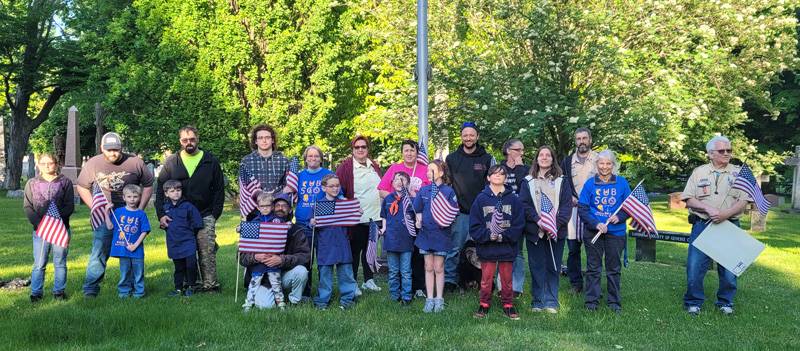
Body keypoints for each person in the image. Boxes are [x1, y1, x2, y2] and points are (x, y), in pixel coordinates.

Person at [77, 132, 154, 297]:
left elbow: (148, 184)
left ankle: (134, 288)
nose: (113, 153)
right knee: (100, 250)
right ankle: (90, 289)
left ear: (122, 148)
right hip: (107, 210)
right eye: (109, 150)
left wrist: (140, 208)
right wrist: (95, 207)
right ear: (101, 148)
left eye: (117, 149)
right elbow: (82, 186)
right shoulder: (93, 163)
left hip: (129, 210)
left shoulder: (135, 162)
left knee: (131, 249)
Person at [681, 135, 751, 316]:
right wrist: (708, 209)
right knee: (695, 266)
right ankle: (693, 302)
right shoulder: (699, 172)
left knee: (728, 269)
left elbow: (744, 201)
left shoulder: (739, 173)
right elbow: (688, 199)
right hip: (702, 224)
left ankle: (725, 302)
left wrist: (724, 214)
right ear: (710, 154)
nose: (726, 153)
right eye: (722, 151)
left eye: (729, 150)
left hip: (730, 225)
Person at [156, 126, 225, 293]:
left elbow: (219, 190)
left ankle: (210, 285)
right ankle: (188, 284)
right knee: (183, 251)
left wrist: (215, 214)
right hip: (178, 215)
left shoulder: (210, 161)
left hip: (205, 213)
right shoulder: (172, 162)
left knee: (206, 250)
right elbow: (160, 190)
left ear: (198, 139)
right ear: (180, 141)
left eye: (192, 139)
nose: (189, 143)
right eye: (185, 140)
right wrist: (161, 214)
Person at [519, 146, 572, 313]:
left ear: (552, 159)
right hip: (535, 230)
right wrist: (538, 221)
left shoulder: (562, 180)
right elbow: (524, 205)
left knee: (553, 266)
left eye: (547, 155)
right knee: (536, 266)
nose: (544, 157)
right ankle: (537, 300)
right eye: (541, 155)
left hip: (556, 231)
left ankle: (551, 301)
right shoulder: (527, 181)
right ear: (536, 159)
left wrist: (554, 225)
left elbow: (566, 206)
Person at [444, 122, 495, 291]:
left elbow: (493, 184)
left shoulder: (487, 158)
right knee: (454, 249)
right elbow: (447, 184)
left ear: (477, 136)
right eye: (465, 135)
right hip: (460, 213)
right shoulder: (451, 159)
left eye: (471, 135)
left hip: (482, 214)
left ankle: (485, 281)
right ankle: (450, 281)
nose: (468, 138)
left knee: (484, 249)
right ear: (461, 136)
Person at [577, 150, 630, 313]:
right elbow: (583, 208)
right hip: (594, 232)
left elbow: (629, 207)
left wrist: (619, 217)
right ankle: (591, 301)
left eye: (608, 163)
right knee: (593, 267)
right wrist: (596, 223)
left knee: (614, 267)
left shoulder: (621, 183)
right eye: (601, 163)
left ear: (613, 165)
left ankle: (614, 302)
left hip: (616, 232)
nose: (605, 167)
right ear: (596, 164)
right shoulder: (589, 184)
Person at [469, 165, 525, 320]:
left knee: (507, 280)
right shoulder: (481, 199)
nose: (498, 176)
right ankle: (484, 304)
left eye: (502, 174)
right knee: (486, 280)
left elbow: (519, 224)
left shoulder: (513, 199)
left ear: (505, 178)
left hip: (506, 247)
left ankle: (508, 304)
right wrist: (488, 235)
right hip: (488, 247)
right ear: (488, 178)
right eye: (494, 174)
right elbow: (474, 225)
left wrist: (503, 237)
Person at [376, 139, 429, 298]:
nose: (409, 153)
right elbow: (381, 190)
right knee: (401, 256)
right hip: (397, 218)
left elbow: (429, 193)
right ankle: (398, 290)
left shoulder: (425, 169)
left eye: (412, 150)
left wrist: (415, 200)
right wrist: (398, 199)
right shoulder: (395, 168)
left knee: (417, 253)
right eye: (406, 150)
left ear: (417, 153)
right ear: (402, 152)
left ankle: (418, 286)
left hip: (418, 216)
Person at [240, 193, 310, 308]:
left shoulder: (296, 231)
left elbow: (305, 256)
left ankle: (294, 301)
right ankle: (263, 294)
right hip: (263, 276)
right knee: (265, 306)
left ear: (290, 209)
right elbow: (241, 257)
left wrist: (281, 260)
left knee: (301, 271)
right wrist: (255, 257)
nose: (280, 208)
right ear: (272, 207)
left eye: (284, 206)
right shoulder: (255, 226)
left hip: (284, 273)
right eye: (277, 205)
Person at [335, 135, 383, 295]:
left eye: (363, 147)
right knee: (355, 252)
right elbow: (338, 190)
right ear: (353, 150)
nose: (361, 149)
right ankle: (353, 283)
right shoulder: (346, 167)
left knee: (370, 250)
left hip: (375, 217)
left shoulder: (374, 165)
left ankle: (369, 280)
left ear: (368, 149)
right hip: (356, 218)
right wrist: (347, 208)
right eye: (357, 147)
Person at [23, 153, 74, 302]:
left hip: (60, 228)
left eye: (50, 163)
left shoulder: (65, 182)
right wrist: (40, 224)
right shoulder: (32, 183)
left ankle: (59, 292)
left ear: (56, 164)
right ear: (38, 165)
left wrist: (55, 221)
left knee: (60, 262)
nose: (47, 166)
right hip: (40, 230)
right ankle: (36, 293)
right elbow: (28, 206)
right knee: (39, 263)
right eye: (43, 163)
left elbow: (69, 206)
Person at [414, 160, 459, 313]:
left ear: (440, 173)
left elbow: (453, 213)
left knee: (438, 267)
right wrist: (418, 219)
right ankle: (429, 298)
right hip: (426, 234)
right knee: (428, 266)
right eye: (427, 170)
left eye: (432, 170)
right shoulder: (424, 190)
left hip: (441, 234)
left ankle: (439, 298)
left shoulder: (448, 191)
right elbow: (418, 208)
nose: (428, 173)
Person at [311, 174, 359, 310]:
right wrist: (312, 222)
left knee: (346, 273)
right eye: (331, 186)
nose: (335, 188)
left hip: (342, 242)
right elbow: (312, 222)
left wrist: (357, 211)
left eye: (337, 186)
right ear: (324, 188)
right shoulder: (319, 205)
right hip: (326, 244)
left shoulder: (344, 204)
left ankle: (348, 299)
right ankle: (322, 301)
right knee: (325, 275)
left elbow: (354, 217)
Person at [293, 145, 335, 299]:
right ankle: (305, 292)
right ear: (305, 159)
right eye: (310, 156)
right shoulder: (298, 176)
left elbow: (338, 194)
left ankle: (324, 293)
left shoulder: (328, 175)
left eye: (316, 156)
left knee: (324, 260)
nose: (313, 159)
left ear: (321, 158)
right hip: (303, 223)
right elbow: (291, 195)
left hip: (323, 224)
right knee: (305, 259)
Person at [560, 127, 598, 294]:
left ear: (590, 140)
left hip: (593, 211)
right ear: (575, 141)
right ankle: (576, 283)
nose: (581, 141)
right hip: (573, 212)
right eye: (578, 139)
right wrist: (569, 197)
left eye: (584, 138)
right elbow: (561, 183)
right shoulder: (567, 162)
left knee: (593, 250)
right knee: (573, 249)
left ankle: (592, 284)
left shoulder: (599, 159)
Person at [241, 193, 289, 311]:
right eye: (262, 206)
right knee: (254, 281)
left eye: (268, 206)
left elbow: (285, 228)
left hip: (273, 257)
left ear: (272, 207)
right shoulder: (254, 222)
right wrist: (241, 228)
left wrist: (287, 225)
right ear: (258, 207)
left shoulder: (278, 220)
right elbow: (248, 239)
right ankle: (249, 302)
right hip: (259, 259)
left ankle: (280, 302)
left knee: (275, 282)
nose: (265, 208)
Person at [161, 180, 204, 297]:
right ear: (166, 193)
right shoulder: (165, 208)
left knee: (191, 264)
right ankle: (178, 288)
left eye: (178, 190)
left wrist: (189, 231)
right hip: (174, 242)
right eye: (172, 191)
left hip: (188, 241)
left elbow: (198, 223)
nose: (176, 193)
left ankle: (191, 286)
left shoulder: (188, 206)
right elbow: (164, 225)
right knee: (178, 267)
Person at [380, 171, 416, 305]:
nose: (399, 182)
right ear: (392, 183)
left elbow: (416, 218)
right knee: (393, 270)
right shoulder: (388, 199)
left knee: (406, 271)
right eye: (396, 180)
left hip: (406, 240)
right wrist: (383, 228)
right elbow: (384, 215)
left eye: (403, 180)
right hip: (391, 239)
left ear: (408, 183)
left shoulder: (411, 201)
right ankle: (394, 295)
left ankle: (406, 296)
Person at [110, 184, 152, 298]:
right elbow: (110, 226)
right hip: (123, 248)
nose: (132, 199)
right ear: (124, 198)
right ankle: (124, 291)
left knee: (138, 272)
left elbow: (145, 231)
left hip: (136, 249)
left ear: (139, 197)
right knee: (125, 272)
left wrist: (135, 245)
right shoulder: (118, 212)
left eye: (135, 196)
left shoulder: (141, 214)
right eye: (129, 197)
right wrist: (105, 211)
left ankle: (139, 292)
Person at [500, 138, 529, 297]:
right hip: (502, 214)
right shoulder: (500, 168)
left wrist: (519, 167)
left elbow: (523, 185)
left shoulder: (525, 169)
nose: (521, 153)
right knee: (501, 249)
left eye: (522, 150)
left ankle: (516, 287)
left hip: (520, 216)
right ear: (509, 151)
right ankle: (501, 285)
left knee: (517, 251)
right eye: (518, 150)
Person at [240, 124, 291, 195]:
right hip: (255, 204)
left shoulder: (283, 160)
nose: (264, 140)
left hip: (277, 203)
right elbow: (244, 186)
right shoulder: (246, 161)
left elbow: (288, 186)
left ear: (272, 140)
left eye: (267, 137)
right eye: (260, 138)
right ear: (256, 141)